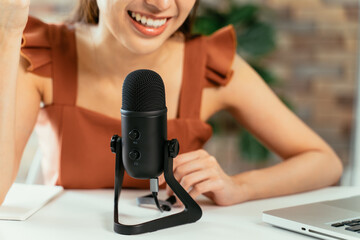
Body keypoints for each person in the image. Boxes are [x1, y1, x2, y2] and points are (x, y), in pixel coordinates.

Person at [0, 0, 343, 207]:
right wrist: (7, 34)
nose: (161, 3)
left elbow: (325, 162)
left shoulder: (212, 65)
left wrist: (240, 187)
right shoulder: (40, 55)